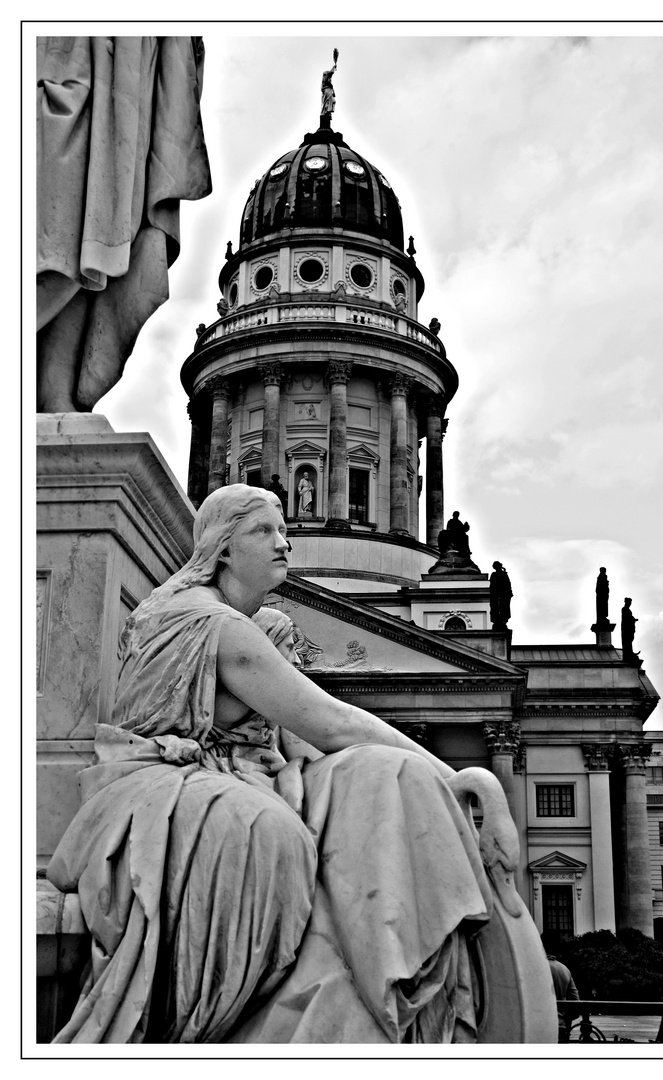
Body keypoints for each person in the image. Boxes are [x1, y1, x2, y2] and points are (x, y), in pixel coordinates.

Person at [47, 485, 501, 1044]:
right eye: (266, 532)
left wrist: (424, 778)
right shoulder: (216, 626)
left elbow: (297, 742)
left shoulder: (263, 624)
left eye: (284, 529)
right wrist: (465, 780)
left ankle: (392, 972)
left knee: (386, 777)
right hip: (161, 783)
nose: (286, 543)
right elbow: (331, 723)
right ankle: (221, 1027)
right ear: (224, 548)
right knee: (273, 833)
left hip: (236, 772)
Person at [37, 37, 211, 412]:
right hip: (68, 54)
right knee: (62, 227)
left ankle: (55, 387)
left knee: (94, 250)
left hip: (127, 78)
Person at [544, 944, 580, 1043]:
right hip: (561, 1024)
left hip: (540, 1024)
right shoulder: (564, 969)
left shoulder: (536, 967)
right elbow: (575, 1000)